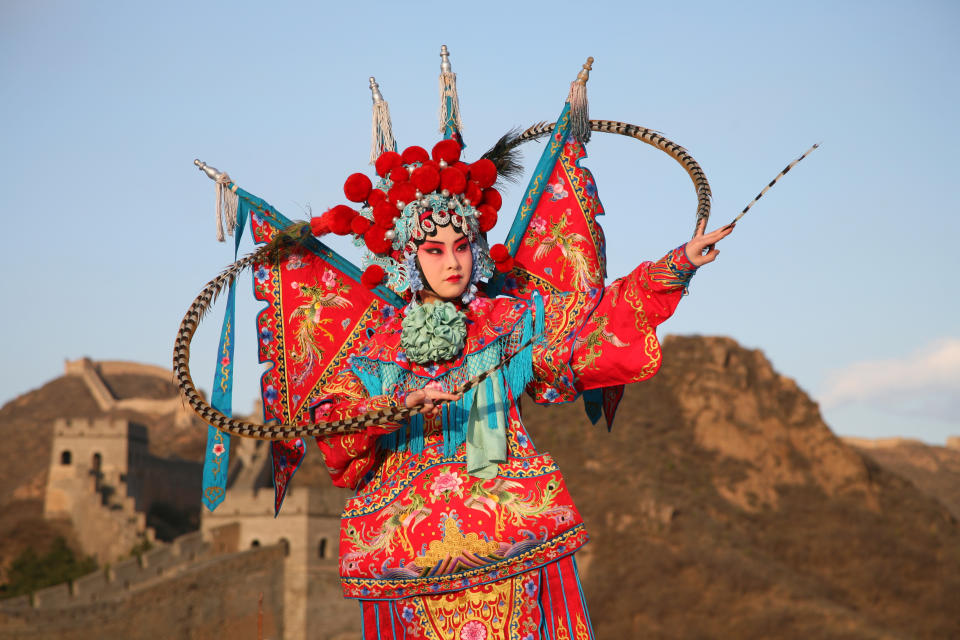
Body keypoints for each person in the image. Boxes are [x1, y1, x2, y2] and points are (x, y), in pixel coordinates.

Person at [305, 140, 734, 638]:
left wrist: (674, 267)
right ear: (408, 256)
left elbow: (590, 332)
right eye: (435, 250)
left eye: (462, 247)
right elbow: (332, 427)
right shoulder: (372, 350)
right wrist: (397, 406)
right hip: (405, 555)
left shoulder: (509, 323)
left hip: (513, 532)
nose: (453, 263)